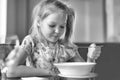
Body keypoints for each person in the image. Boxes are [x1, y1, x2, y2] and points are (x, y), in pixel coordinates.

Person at [5, 0, 101, 80]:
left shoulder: (67, 47)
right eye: (52, 25)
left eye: (62, 26)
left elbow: (86, 76)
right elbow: (11, 71)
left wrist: (91, 58)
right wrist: (48, 72)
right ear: (39, 22)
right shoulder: (31, 42)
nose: (57, 31)